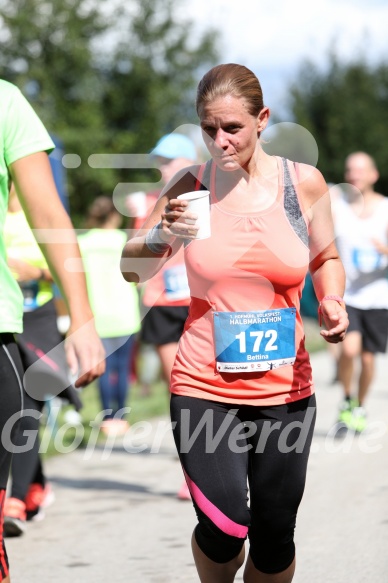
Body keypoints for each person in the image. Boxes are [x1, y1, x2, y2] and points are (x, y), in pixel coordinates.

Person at [121, 63, 348, 583]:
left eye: (232, 128)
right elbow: (133, 269)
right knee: (225, 527)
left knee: (273, 538)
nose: (219, 141)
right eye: (208, 129)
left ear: (262, 119)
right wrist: (160, 236)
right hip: (204, 384)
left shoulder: (302, 184)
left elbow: (326, 259)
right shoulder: (192, 186)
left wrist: (331, 299)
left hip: (285, 390)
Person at [0, 78, 105, 581]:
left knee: (28, 408)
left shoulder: (4, 101)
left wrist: (81, 320)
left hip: (24, 319)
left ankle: (18, 499)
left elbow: (50, 217)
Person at [3, 185, 83, 536]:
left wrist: (34, 273)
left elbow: (65, 266)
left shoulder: (38, 214)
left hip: (37, 321)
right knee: (10, 407)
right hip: (5, 318)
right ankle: (35, 484)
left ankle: (15, 500)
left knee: (27, 406)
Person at [126, 133, 197, 499]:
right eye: (160, 160)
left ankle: (230, 455)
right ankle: (195, 470)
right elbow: (135, 252)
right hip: (162, 304)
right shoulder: (151, 202)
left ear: (189, 161)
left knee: (212, 386)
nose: (163, 167)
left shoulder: (211, 198)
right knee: (182, 386)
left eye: (169, 160)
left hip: (200, 303)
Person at [333, 152, 388, 432]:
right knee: (350, 350)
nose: (354, 175)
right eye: (350, 170)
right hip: (349, 295)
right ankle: (345, 400)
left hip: (378, 297)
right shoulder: (337, 207)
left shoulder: (386, 209)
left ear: (374, 175)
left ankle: (360, 406)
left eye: (360, 170)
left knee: (368, 359)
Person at [78, 196, 141, 435]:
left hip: (97, 315)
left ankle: (107, 419)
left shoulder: (82, 243)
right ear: (114, 216)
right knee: (123, 368)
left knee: (103, 368)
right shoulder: (125, 240)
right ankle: (121, 418)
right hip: (126, 313)